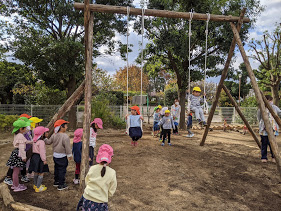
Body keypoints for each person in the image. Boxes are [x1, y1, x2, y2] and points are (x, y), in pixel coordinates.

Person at [76, 144, 117, 211]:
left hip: (87, 198)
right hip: (100, 202)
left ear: (98, 156)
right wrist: (105, 195)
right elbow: (112, 189)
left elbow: (87, 181)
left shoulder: (92, 168)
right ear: (111, 157)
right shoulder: (112, 173)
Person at [4, 116, 33, 185]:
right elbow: (22, 146)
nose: (27, 127)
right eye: (26, 126)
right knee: (15, 168)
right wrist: (23, 157)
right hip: (19, 153)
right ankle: (15, 184)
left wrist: (31, 141)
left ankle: (19, 179)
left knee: (18, 166)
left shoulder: (20, 134)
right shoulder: (21, 135)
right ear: (21, 128)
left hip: (19, 152)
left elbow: (25, 141)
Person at [45, 119, 72, 191]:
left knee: (56, 168)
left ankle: (56, 181)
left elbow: (48, 142)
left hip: (55, 155)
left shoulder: (54, 135)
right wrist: (69, 155)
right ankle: (61, 184)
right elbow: (67, 147)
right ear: (61, 127)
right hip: (62, 156)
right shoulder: (65, 137)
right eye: (66, 126)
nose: (66, 127)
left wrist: (44, 138)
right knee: (62, 170)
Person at [257, 95, 281, 163]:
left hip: (273, 128)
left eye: (271, 100)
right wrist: (262, 124)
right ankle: (264, 157)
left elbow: (280, 113)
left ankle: (274, 157)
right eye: (269, 100)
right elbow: (259, 117)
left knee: (272, 143)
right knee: (264, 143)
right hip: (264, 129)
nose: (270, 102)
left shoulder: (274, 107)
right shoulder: (261, 108)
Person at [28, 126, 49, 192]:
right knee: (41, 172)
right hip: (39, 158)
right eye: (45, 132)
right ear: (42, 134)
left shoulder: (34, 140)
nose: (47, 133)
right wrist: (44, 160)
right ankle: (38, 187)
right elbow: (42, 152)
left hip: (34, 157)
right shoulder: (41, 142)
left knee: (36, 171)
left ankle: (35, 185)